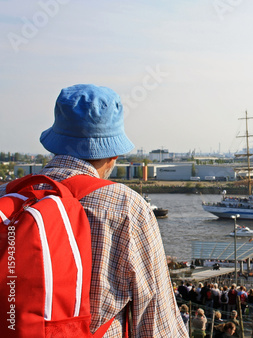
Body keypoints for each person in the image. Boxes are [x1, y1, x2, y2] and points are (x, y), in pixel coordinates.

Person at [0, 84, 187, 336]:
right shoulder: (127, 207)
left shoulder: (8, 196)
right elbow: (156, 322)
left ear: (54, 143)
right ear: (113, 155)